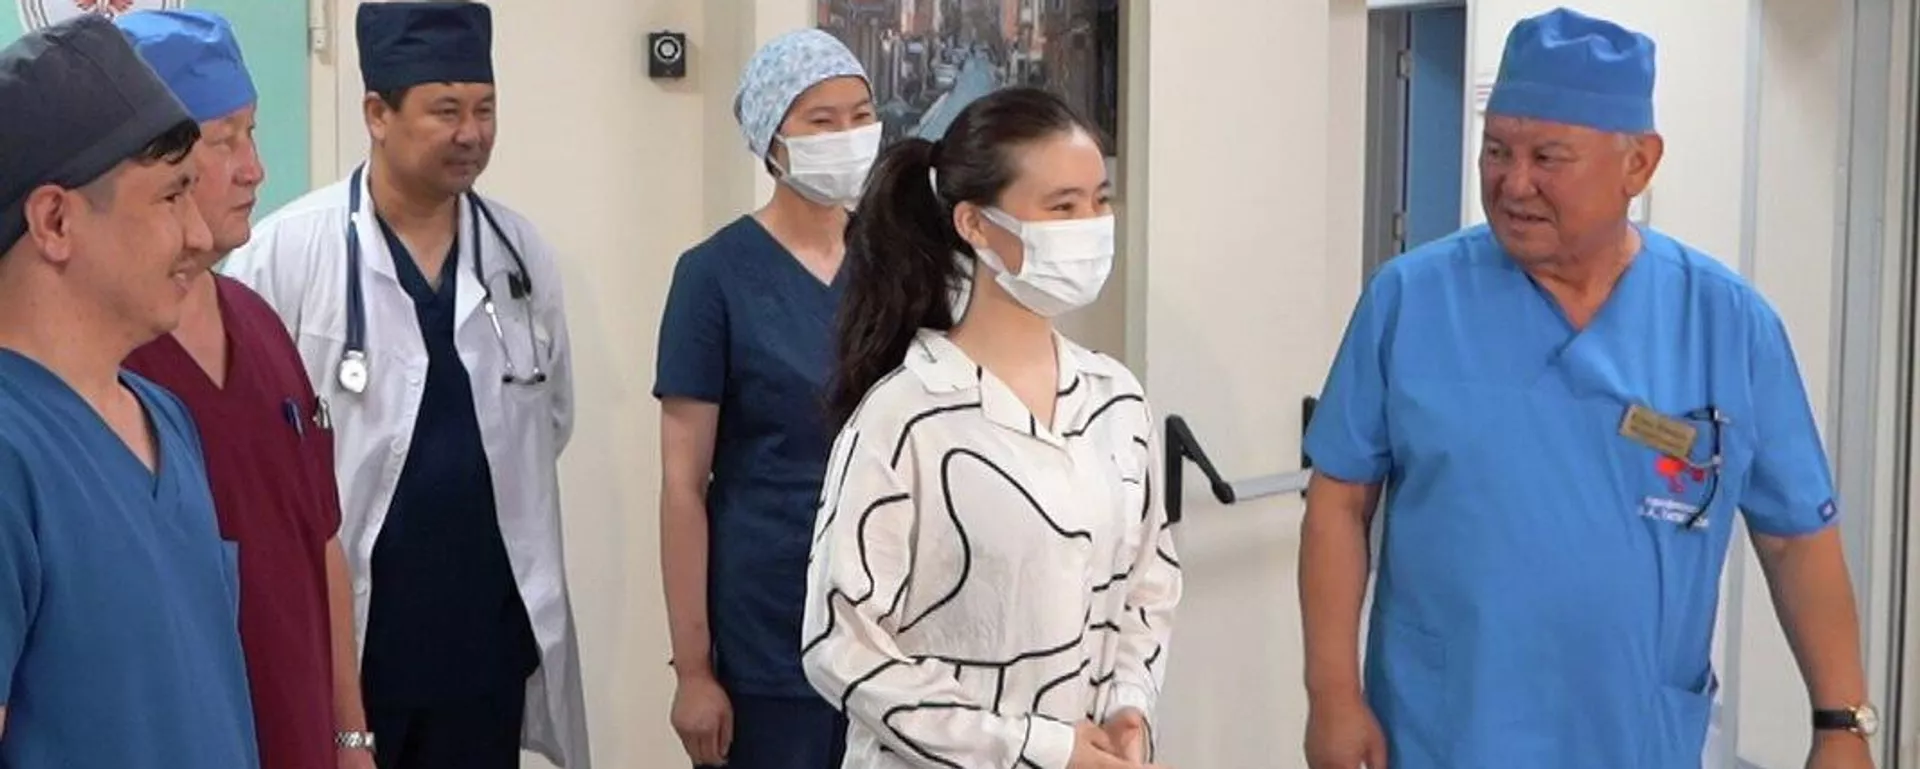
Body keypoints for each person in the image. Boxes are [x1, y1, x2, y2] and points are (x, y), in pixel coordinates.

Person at [1299, 8, 1874, 769]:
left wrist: (1841, 724)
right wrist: (1332, 693)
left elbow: (1796, 537)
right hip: (1443, 731)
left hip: (1633, 735)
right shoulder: (1410, 301)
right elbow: (1339, 501)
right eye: (1497, 150)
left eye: (1548, 156)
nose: (1514, 182)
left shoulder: (1727, 323)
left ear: (1639, 164)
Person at [218, 3, 589, 768]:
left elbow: (552, 416)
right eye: (446, 110)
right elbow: (246, 452)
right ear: (376, 114)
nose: (471, 133)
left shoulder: (519, 254)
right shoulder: (286, 252)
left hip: (483, 646)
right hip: (359, 648)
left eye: (485, 109)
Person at [801, 86, 1181, 769]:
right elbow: (840, 644)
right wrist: (1038, 748)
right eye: (1062, 206)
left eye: (1099, 200)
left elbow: (1148, 582)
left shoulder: (1116, 400)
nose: (1091, 224)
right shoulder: (904, 417)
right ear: (975, 224)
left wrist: (1131, 707)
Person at [113, 10, 377, 769]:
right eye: (223, 140)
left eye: (253, 133)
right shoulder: (111, 355)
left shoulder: (259, 326)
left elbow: (319, 540)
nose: (254, 168)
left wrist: (350, 736)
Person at [0, 14, 260, 769]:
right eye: (172, 196)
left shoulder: (164, 421)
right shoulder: (13, 457)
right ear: (56, 220)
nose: (198, 236)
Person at [653, 28, 878, 769]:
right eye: (822, 121)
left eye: (861, 116)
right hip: (767, 628)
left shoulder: (897, 267)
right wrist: (693, 671)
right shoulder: (713, 276)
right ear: (771, 140)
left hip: (893, 632)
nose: (848, 136)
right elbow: (683, 485)